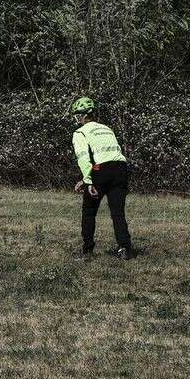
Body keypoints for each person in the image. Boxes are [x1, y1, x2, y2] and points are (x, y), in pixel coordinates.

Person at [70, 97, 135, 260]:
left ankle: (87, 251)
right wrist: (85, 179)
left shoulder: (80, 132)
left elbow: (84, 158)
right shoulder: (107, 129)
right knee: (117, 213)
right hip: (120, 169)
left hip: (101, 170)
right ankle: (125, 249)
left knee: (89, 211)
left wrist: (89, 181)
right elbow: (107, 156)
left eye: (76, 115)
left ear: (81, 116)